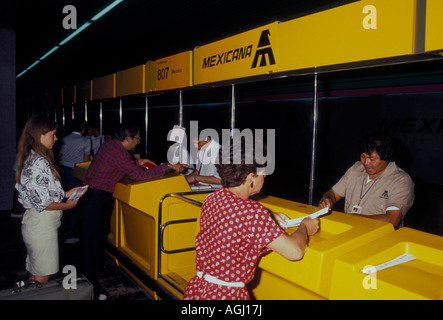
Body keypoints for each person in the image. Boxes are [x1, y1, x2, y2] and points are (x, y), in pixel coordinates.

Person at [183, 136, 319, 300]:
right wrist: (304, 226)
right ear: (250, 178)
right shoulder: (252, 213)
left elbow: (233, 228)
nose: (265, 176)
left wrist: (268, 216)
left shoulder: (213, 198)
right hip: (226, 295)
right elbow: (295, 252)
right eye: (262, 171)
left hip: (199, 290)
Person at [76, 123, 186, 299]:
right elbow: (140, 176)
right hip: (96, 201)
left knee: (90, 245)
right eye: (136, 138)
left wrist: (136, 162)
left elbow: (121, 165)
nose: (138, 141)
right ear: (127, 139)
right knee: (92, 247)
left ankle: (89, 286)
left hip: (92, 198)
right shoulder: (119, 152)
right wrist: (169, 167)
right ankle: (91, 290)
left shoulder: (110, 145)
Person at [15, 116, 85, 283]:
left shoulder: (34, 157)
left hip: (36, 223)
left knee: (35, 273)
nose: (56, 138)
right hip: (42, 226)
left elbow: (42, 193)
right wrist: (68, 206)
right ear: (40, 135)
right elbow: (44, 204)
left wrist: (66, 194)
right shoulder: (39, 162)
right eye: (52, 134)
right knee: (42, 276)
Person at [318, 133, 414, 229]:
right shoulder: (355, 169)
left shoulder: (401, 181)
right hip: (349, 230)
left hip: (379, 237)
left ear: (387, 158)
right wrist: (328, 199)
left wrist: (351, 218)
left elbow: (392, 220)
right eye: (363, 157)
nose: (366, 163)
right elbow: (333, 193)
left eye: (372, 159)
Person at [58, 119, 90, 243]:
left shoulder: (64, 139)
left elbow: (60, 158)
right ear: (83, 129)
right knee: (76, 202)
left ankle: (66, 232)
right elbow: (85, 161)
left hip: (64, 172)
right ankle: (71, 234)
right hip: (76, 172)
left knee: (67, 201)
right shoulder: (85, 140)